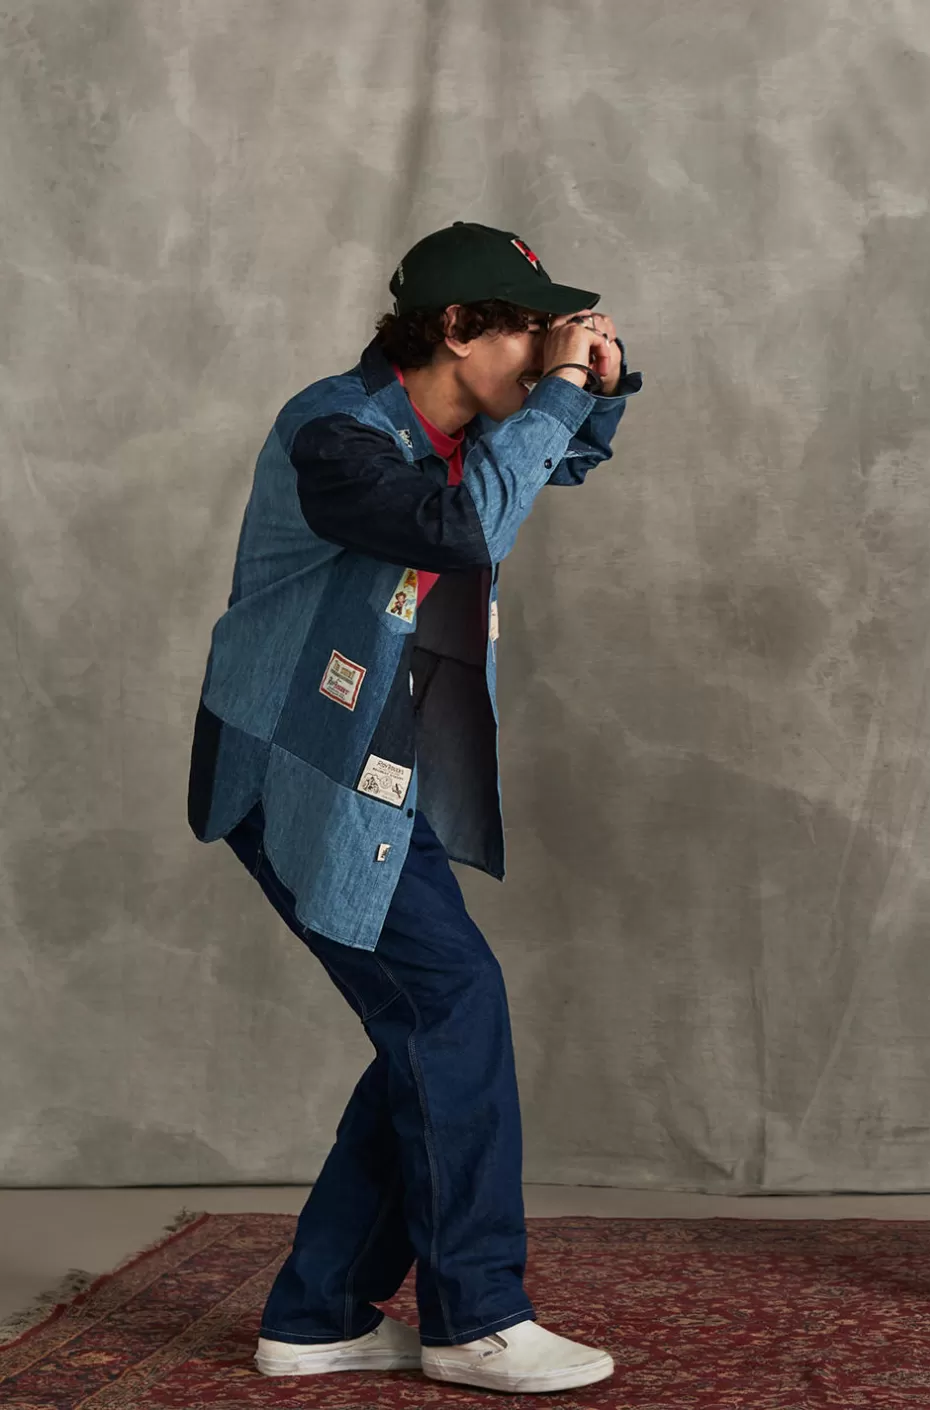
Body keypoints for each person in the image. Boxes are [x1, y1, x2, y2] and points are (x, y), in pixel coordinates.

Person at [186, 220, 642, 1394]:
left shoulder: (462, 433)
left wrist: (591, 388)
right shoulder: (333, 432)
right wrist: (557, 393)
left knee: (431, 1027)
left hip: (378, 767)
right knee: (452, 1007)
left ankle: (318, 1314)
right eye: (527, 331)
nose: (543, 354)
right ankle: (474, 1318)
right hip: (300, 767)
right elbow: (464, 525)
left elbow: (552, 462)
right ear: (454, 330)